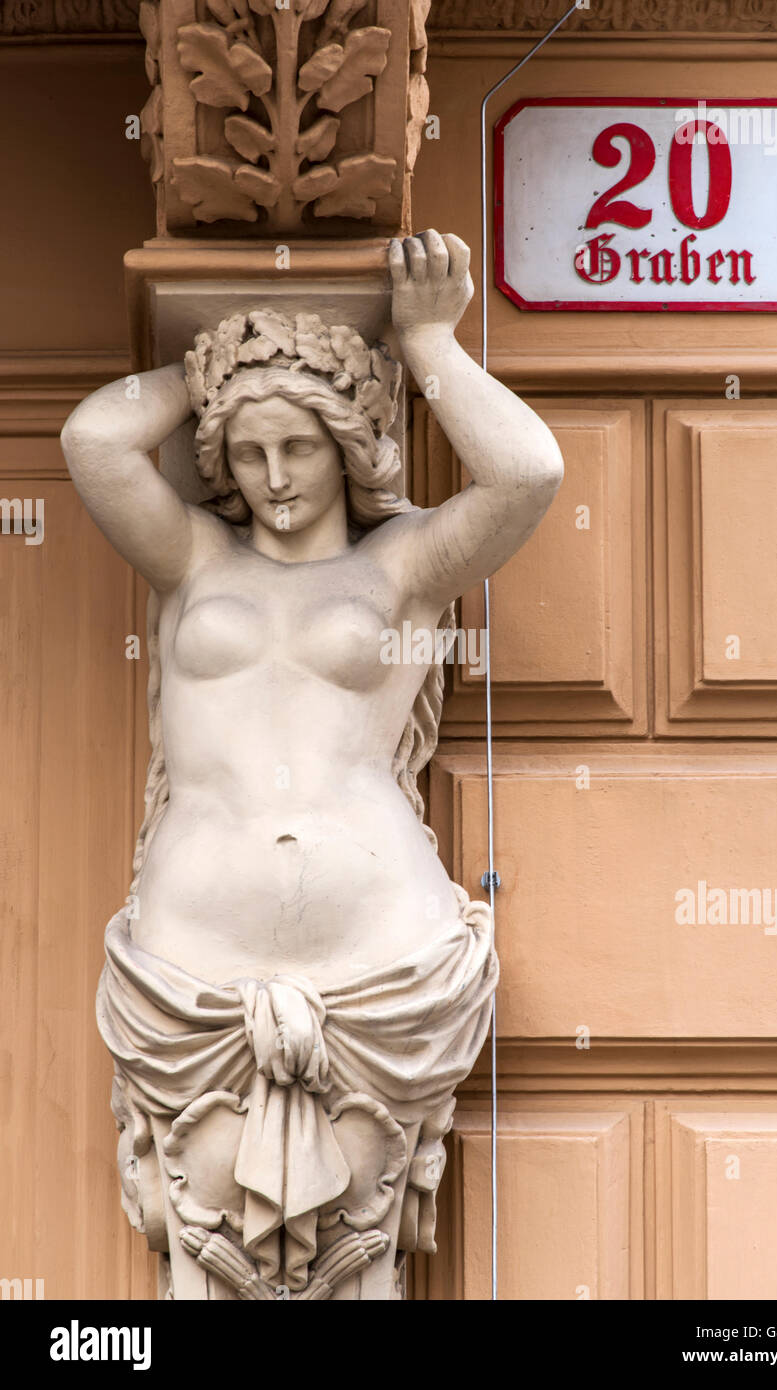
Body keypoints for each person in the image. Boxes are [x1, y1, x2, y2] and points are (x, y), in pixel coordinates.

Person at [61, 230, 564, 1300]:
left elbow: (528, 472)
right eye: (247, 453)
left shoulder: (403, 567)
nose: (275, 477)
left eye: (299, 445)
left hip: (379, 971)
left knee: (357, 1268)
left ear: (347, 444)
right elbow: (94, 439)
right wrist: (222, 364)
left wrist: (426, 344)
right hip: (192, 978)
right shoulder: (194, 556)